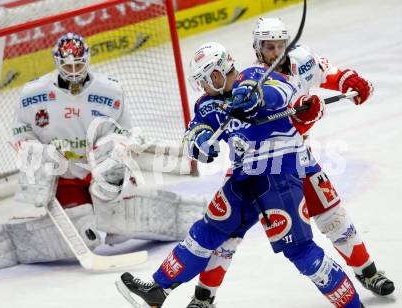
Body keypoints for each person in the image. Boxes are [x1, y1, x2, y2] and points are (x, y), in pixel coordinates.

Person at [116, 42, 364, 308]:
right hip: (243, 178)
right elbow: (193, 131)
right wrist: (199, 141)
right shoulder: (209, 103)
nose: (203, 88)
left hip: (278, 174)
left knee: (299, 249)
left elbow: (286, 93)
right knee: (208, 229)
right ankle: (158, 289)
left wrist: (257, 97)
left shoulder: (256, 77)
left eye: (204, 81)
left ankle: (353, 304)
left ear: (216, 75)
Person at [187, 18, 394, 308]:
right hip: (254, 164)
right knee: (227, 234)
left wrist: (352, 82)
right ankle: (203, 298)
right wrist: (301, 117)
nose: (275, 52)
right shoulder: (250, 79)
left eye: (280, 45)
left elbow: (333, 74)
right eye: (269, 47)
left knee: (334, 216)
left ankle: (368, 272)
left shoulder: (303, 60)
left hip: (298, 158)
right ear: (258, 48)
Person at [0, 32, 205, 269]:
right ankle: (7, 243)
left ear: (87, 59)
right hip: (64, 179)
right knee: (85, 232)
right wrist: (35, 153)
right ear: (57, 62)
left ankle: (185, 216)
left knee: (121, 221)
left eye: (78, 63)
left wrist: (115, 149)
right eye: (68, 64)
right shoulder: (34, 95)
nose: (74, 70)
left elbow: (127, 133)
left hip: (102, 172)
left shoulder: (110, 91)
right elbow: (22, 135)